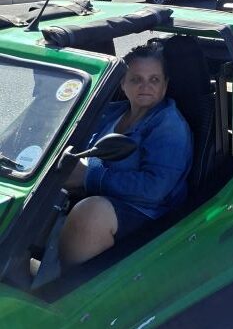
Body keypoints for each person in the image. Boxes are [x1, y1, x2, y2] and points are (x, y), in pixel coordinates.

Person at [59, 41, 193, 266]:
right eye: (136, 79)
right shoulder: (112, 113)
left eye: (154, 80)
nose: (145, 86)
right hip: (102, 195)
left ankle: (62, 293)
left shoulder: (169, 125)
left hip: (150, 212)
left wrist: (88, 176)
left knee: (91, 214)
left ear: (165, 85)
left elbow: (155, 190)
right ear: (122, 83)